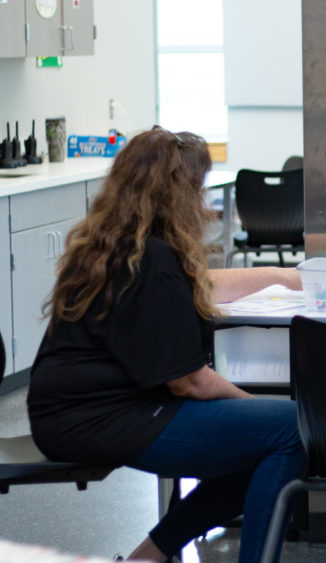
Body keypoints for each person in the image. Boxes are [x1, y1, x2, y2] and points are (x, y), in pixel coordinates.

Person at [26, 127, 306, 563]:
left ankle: (145, 558)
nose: (203, 204)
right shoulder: (152, 262)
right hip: (100, 418)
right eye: (197, 190)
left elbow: (196, 287)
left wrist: (279, 277)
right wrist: (252, 407)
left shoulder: (112, 248)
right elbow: (190, 383)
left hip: (70, 411)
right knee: (292, 430)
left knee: (262, 441)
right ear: (177, 195)